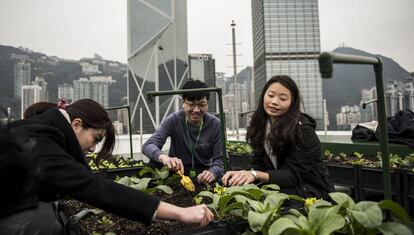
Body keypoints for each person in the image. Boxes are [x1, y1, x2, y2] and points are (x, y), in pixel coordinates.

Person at [10, 99, 213, 232]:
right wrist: (180, 212)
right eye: (96, 139)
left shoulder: (39, 131)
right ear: (76, 124)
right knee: (43, 223)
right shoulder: (40, 141)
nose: (92, 149)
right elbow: (92, 187)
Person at [222, 75, 334, 199]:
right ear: (263, 95)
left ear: (292, 102)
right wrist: (243, 174)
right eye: (270, 95)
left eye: (283, 98)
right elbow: (259, 163)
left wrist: (255, 174)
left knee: (261, 199)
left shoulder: (303, 130)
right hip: (280, 186)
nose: (274, 102)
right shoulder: (261, 124)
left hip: (309, 190)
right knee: (231, 188)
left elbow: (294, 175)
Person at [143, 79, 224, 184]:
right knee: (154, 164)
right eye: (191, 104)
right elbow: (148, 145)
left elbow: (221, 159)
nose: (196, 110)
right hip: (177, 171)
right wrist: (166, 158)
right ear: (183, 103)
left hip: (203, 173)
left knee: (224, 178)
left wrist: (212, 172)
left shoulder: (215, 124)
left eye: (201, 105)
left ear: (207, 104)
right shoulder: (174, 119)